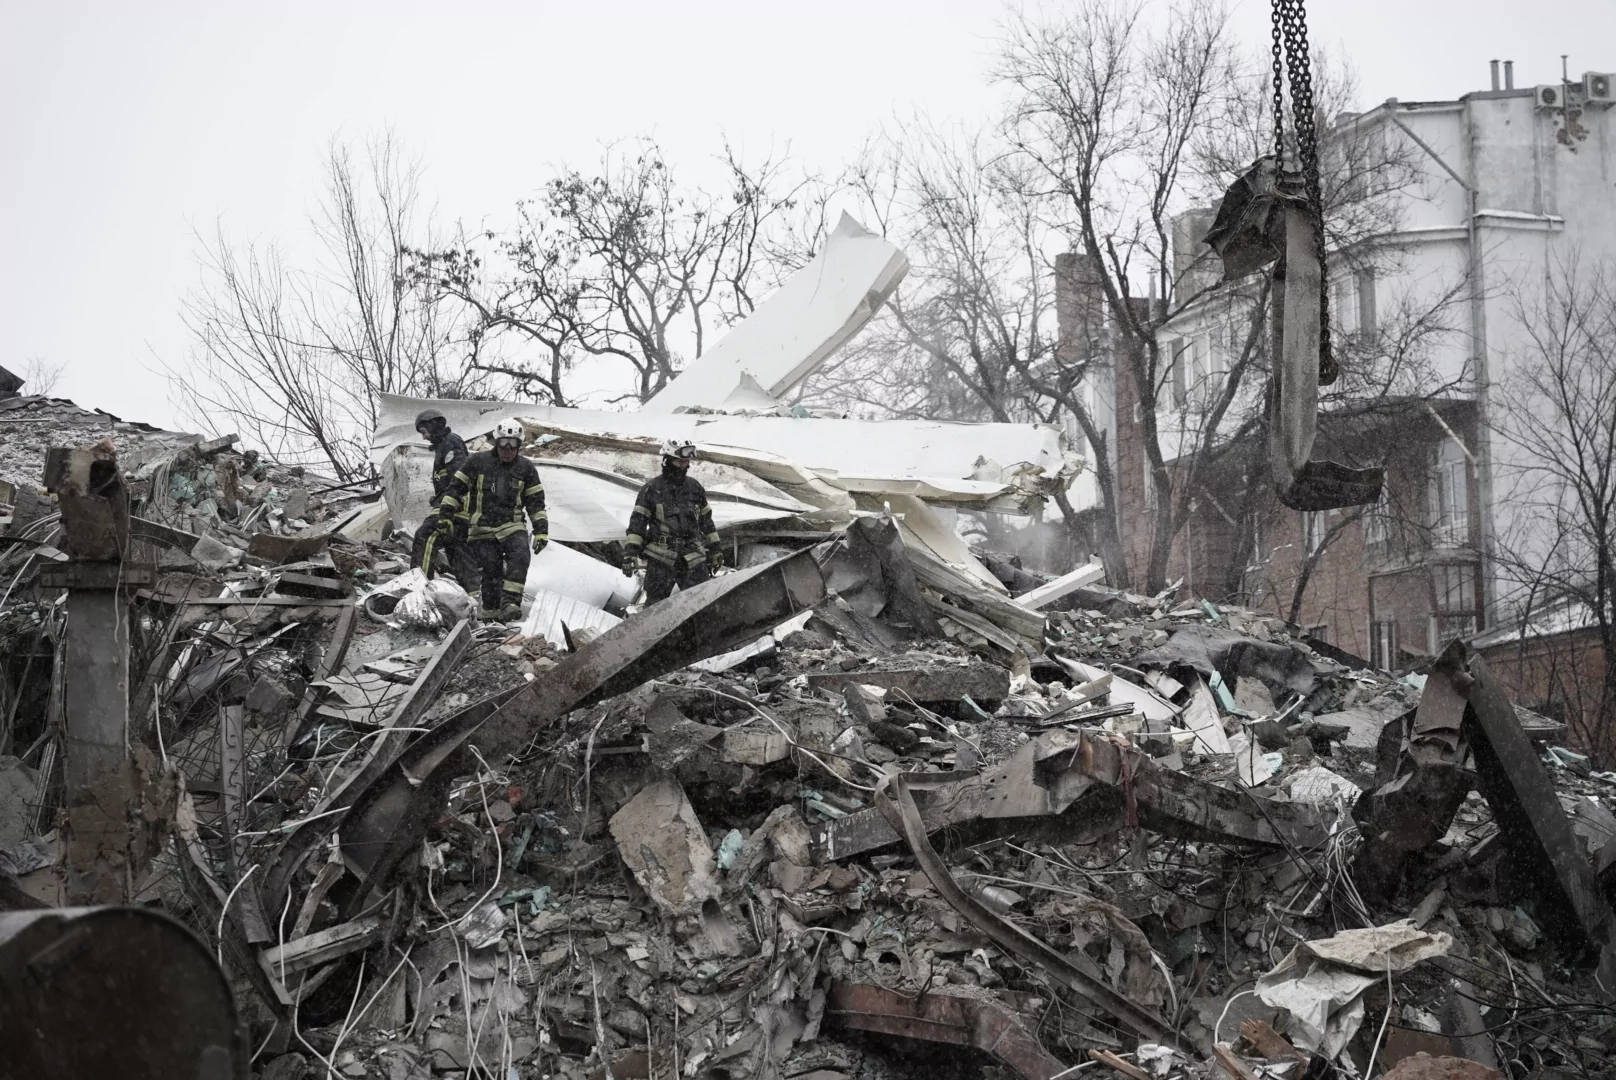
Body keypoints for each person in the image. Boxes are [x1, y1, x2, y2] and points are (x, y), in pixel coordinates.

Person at [438, 419, 548, 621]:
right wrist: (445, 516)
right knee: (491, 573)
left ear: (519, 445)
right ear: (496, 443)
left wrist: (541, 530)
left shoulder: (526, 468)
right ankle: (492, 619)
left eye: (513, 444)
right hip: (482, 528)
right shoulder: (477, 462)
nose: (508, 450)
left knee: (520, 554)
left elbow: (536, 502)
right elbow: (455, 488)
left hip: (512, 525)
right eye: (504, 444)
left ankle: (511, 602)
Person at [623, 439, 724, 604]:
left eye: (686, 461)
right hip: (661, 559)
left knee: (702, 604)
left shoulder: (695, 488)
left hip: (693, 557)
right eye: (679, 461)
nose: (683, 465)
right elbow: (637, 526)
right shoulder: (651, 489)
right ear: (667, 460)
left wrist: (716, 550)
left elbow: (707, 523)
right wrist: (630, 554)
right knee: (655, 608)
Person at [408, 408, 478, 590]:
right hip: (458, 509)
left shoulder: (451, 442)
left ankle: (419, 589)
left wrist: (446, 507)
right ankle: (474, 597)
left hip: (454, 508)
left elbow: (460, 479)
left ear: (433, 425)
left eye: (424, 432)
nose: (424, 437)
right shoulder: (443, 447)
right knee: (459, 555)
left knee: (424, 537)